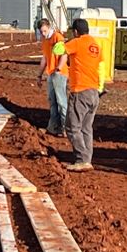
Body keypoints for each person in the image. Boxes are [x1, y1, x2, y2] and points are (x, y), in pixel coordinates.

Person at [52, 18, 104, 172]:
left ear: (75, 32)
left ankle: (82, 159)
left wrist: (62, 40)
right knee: (86, 128)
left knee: (72, 126)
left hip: (80, 91)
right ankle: (87, 158)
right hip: (94, 91)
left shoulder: (77, 42)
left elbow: (57, 51)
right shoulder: (95, 45)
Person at [36, 18, 68, 135]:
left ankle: (65, 128)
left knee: (61, 101)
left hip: (59, 73)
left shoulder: (57, 37)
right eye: (41, 32)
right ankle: (53, 127)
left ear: (49, 27)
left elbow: (64, 55)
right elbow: (44, 58)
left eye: (44, 31)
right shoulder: (44, 40)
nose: (43, 33)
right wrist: (39, 75)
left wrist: (58, 68)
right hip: (50, 73)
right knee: (52, 101)